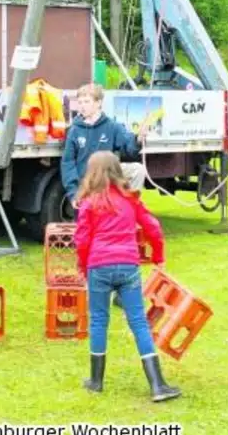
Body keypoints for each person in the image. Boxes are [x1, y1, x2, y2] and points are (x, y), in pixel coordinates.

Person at [73, 151, 181, 401]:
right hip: (128, 265)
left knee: (99, 321)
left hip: (98, 266)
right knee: (139, 322)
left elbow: (82, 240)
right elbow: (153, 227)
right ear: (116, 171)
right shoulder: (130, 199)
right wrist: (158, 256)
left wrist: (83, 267)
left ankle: (96, 382)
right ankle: (157, 385)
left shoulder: (88, 203)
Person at [59, 83, 145, 220]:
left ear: (99, 103)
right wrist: (73, 193)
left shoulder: (111, 126)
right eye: (80, 102)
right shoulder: (74, 130)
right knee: (90, 226)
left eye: (86, 101)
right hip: (86, 182)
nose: (82, 106)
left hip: (108, 177)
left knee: (138, 169)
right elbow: (67, 163)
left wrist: (138, 139)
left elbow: (130, 148)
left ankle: (128, 211)